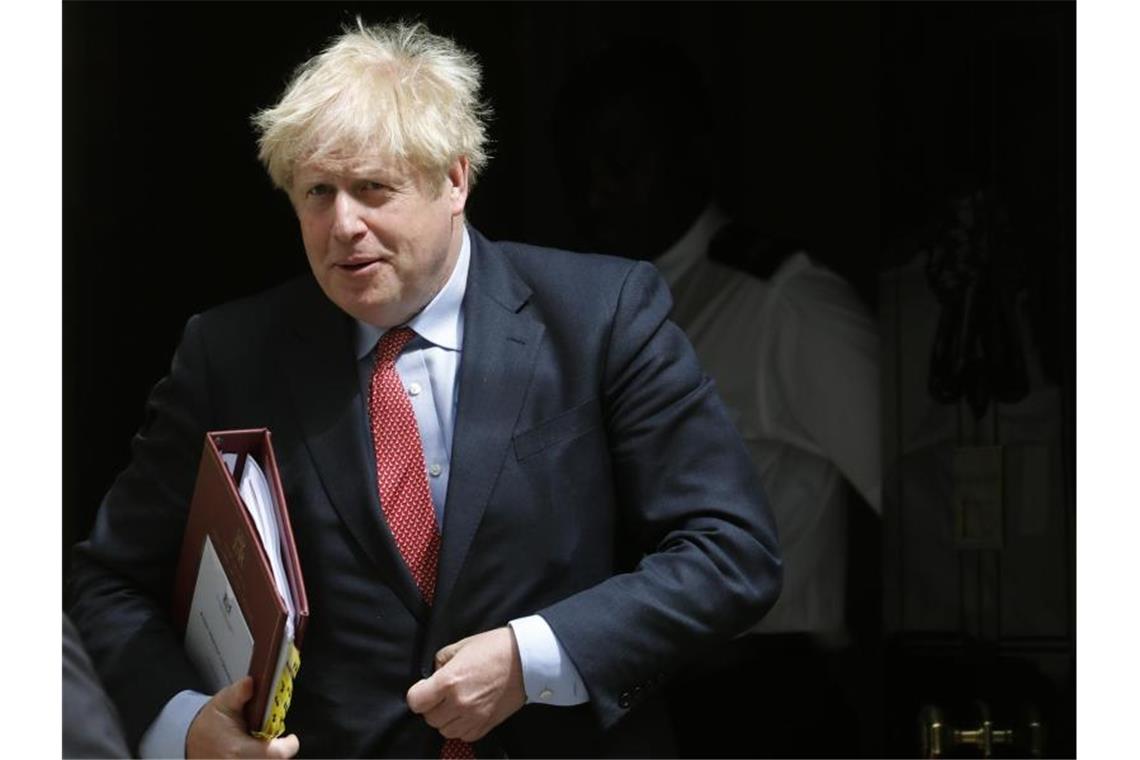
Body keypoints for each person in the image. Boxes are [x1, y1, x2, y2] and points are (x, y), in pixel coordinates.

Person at [66, 20, 782, 759]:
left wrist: (532, 658)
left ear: (455, 180)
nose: (344, 224)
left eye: (373, 187)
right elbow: (109, 583)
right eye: (317, 192)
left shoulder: (599, 316)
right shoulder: (232, 354)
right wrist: (187, 726)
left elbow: (730, 553)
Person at [554, 40, 881, 757]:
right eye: (582, 163)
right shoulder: (582, 309)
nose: (598, 186)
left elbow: (899, 504)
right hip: (635, 694)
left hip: (764, 692)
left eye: (625, 155)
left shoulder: (785, 303)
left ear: (690, 151)